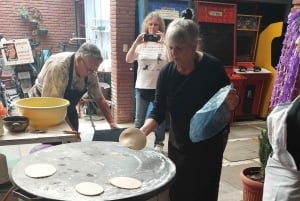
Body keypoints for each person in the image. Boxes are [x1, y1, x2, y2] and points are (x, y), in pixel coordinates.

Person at [140, 18, 239, 201]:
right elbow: (158, 111)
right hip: (179, 145)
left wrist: (232, 104)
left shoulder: (212, 68)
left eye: (179, 48)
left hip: (209, 146)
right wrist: (141, 132)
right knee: (178, 191)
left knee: (204, 192)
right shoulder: (166, 74)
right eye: (170, 48)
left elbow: (228, 100)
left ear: (194, 45)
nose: (173, 54)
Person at [29, 42, 118, 133]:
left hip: (66, 107)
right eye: (90, 70)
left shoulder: (90, 71)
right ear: (78, 59)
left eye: (94, 71)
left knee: (73, 136)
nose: (92, 73)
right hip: (45, 108)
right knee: (56, 141)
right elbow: (55, 107)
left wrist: (112, 123)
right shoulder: (59, 67)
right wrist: (72, 132)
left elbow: (99, 99)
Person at [126, 11, 170, 152]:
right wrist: (136, 42)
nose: (153, 27)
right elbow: (128, 59)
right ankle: (136, 143)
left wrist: (166, 43)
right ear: (146, 26)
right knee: (139, 119)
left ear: (160, 26)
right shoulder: (141, 44)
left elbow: (172, 61)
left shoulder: (164, 44)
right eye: (150, 24)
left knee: (160, 119)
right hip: (142, 86)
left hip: (160, 87)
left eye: (156, 24)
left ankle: (159, 143)